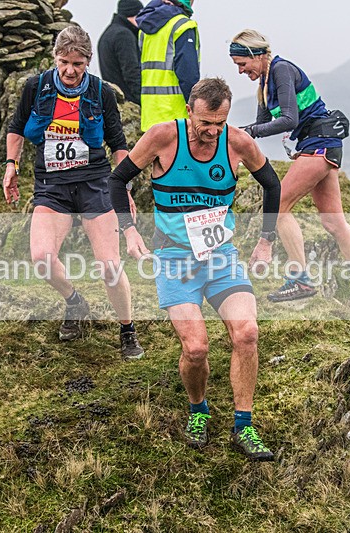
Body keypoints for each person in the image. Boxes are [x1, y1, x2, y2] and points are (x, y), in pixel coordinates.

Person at [109, 78, 281, 461]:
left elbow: (272, 184)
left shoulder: (236, 143)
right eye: (205, 122)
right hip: (174, 259)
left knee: (247, 333)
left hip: (221, 257)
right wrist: (129, 231)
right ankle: (198, 409)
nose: (211, 131)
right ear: (190, 110)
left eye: (219, 123)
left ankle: (244, 426)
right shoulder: (162, 137)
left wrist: (266, 240)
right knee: (197, 348)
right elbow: (117, 180)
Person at [3, 26, 145, 360]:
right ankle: (74, 301)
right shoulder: (35, 87)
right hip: (52, 187)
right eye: (64, 61)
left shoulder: (100, 92)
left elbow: (118, 144)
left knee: (110, 266)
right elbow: (17, 127)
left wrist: (123, 186)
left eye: (78, 63)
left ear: (88, 62)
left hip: (96, 185)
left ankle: (127, 329)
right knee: (41, 259)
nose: (70, 70)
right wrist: (12, 164)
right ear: (55, 58)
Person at [229, 29, 350, 317]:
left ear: (256, 55)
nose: (241, 71)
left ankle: (300, 279)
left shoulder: (281, 69)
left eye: (243, 64)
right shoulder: (265, 83)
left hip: (318, 143)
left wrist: (247, 132)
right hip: (321, 145)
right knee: (334, 223)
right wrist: (237, 136)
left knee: (278, 206)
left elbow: (288, 119)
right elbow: (263, 124)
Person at [136, 0, 199, 131]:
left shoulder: (145, 28)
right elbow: (188, 75)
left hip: (151, 115)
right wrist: (198, 110)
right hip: (176, 117)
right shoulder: (183, 25)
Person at [97, 0, 144, 106]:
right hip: (129, 102)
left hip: (115, 100)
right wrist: (144, 101)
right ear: (134, 14)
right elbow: (132, 72)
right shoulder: (124, 35)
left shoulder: (108, 33)